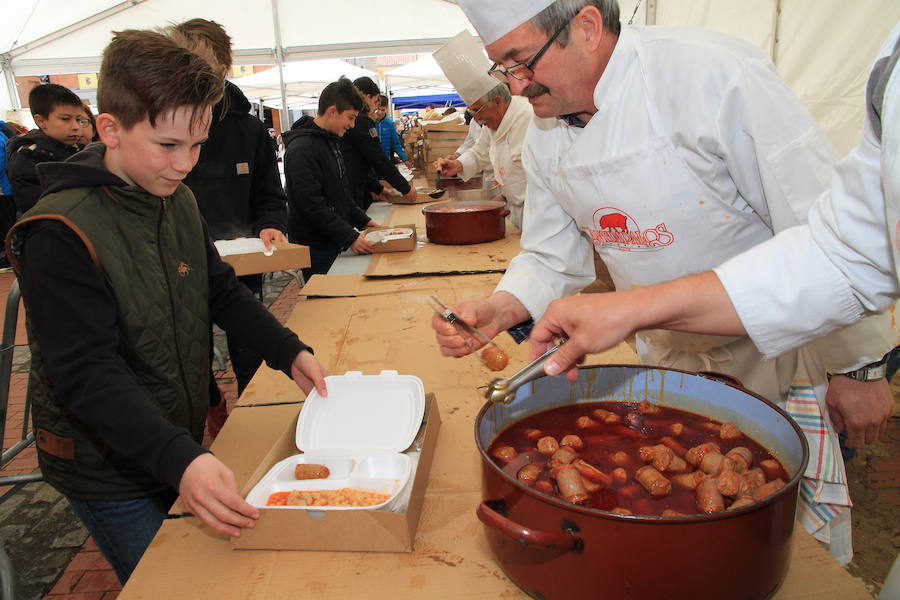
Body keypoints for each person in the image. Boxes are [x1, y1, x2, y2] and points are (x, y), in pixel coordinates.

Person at [437, 0, 896, 563]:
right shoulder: (545, 137)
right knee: (678, 541)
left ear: (585, 25)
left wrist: (861, 365)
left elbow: (829, 230)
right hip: (666, 359)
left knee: (785, 544)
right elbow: (552, 253)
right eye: (503, 70)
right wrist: (503, 306)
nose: (517, 87)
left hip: (775, 353)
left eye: (521, 62)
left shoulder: (714, 76)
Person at [4, 29, 328, 584]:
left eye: (197, 145)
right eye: (168, 145)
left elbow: (218, 287)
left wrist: (287, 349)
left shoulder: (174, 197)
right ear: (110, 128)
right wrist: (182, 458)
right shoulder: (59, 230)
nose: (185, 163)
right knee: (171, 582)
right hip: (105, 463)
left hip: (166, 435)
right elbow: (85, 374)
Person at [166, 19, 290, 432]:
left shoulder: (248, 127)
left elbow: (270, 192)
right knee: (187, 354)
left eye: (211, 72)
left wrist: (271, 223)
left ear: (224, 70)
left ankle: (254, 424)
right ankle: (207, 415)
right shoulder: (163, 123)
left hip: (240, 260)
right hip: (176, 262)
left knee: (248, 344)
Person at [282, 77, 379, 280]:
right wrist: (350, 236)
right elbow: (311, 204)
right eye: (350, 118)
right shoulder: (302, 149)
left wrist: (364, 221)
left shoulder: (330, 141)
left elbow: (341, 193)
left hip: (331, 239)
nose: (352, 125)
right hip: (316, 245)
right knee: (326, 300)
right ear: (332, 111)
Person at [6, 83, 84, 214]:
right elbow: (33, 204)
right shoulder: (28, 156)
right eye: (65, 119)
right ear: (41, 121)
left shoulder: (76, 149)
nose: (76, 126)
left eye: (78, 119)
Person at [341, 76, 415, 210]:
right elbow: (378, 158)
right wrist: (405, 188)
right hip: (352, 188)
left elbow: (363, 159)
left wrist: (378, 188)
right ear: (367, 97)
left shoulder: (360, 120)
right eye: (375, 102)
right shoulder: (362, 121)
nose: (376, 108)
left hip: (355, 186)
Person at [373, 94, 410, 165]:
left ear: (386, 108)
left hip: (386, 160)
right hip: (372, 162)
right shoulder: (370, 122)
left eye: (383, 110)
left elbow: (395, 143)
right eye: (378, 109)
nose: (380, 112)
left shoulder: (389, 123)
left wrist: (405, 159)